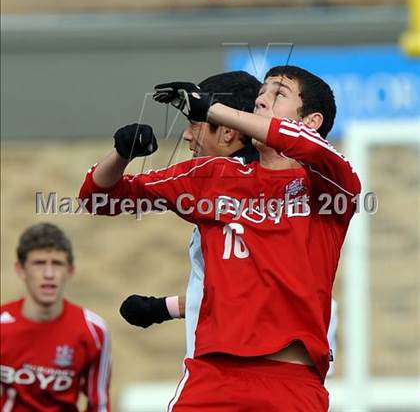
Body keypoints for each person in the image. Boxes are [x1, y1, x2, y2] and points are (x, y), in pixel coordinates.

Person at [79, 65, 361, 411]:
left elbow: (303, 145)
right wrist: (121, 154)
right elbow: (97, 198)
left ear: (312, 121)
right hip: (213, 378)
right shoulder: (214, 175)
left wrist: (211, 109)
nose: (262, 100)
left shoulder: (330, 184)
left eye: (278, 94)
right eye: (260, 95)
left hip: (292, 385)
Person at [119, 70, 338, 377]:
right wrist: (165, 308)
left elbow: (269, 290)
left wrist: (211, 108)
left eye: (195, 122)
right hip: (218, 368)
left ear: (228, 131)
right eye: (261, 94)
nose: (186, 134)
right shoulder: (209, 189)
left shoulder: (321, 184)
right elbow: (234, 294)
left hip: (279, 370)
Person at [0, 222, 111, 411]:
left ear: (70, 271)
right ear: (21, 270)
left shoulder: (93, 330)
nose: (49, 274)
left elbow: (99, 404)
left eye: (57, 264)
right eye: (39, 263)